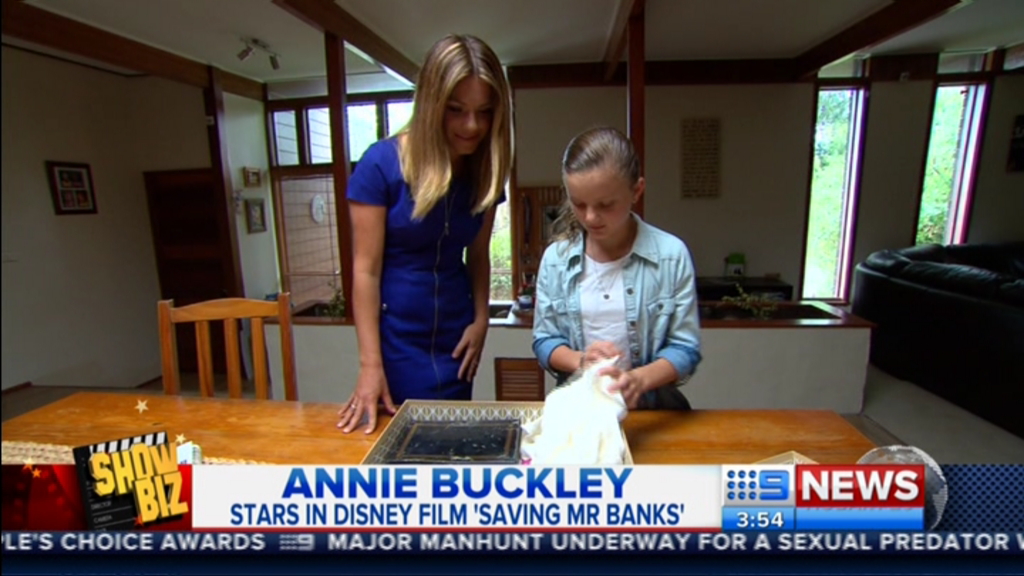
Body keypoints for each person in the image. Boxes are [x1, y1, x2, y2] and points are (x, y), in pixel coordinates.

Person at [338, 34, 513, 434]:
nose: (472, 126)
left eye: (484, 112)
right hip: (396, 340)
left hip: (457, 340)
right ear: (432, 103)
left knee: (451, 443)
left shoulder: (485, 170)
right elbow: (365, 271)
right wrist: (370, 365)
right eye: (456, 110)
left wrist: (481, 319)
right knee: (400, 444)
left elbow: (478, 256)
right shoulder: (380, 165)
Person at [532, 126, 701, 410]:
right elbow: (544, 340)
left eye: (605, 205)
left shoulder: (671, 256)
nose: (590, 217)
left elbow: (686, 347)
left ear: (637, 191)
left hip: (653, 411)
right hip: (580, 410)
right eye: (579, 204)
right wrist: (581, 360)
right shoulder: (556, 259)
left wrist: (638, 380)